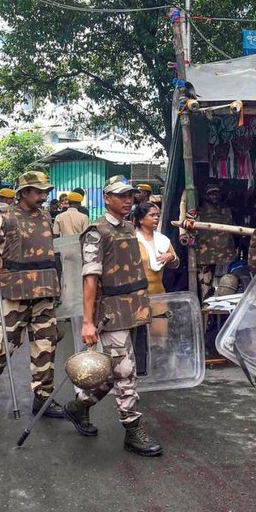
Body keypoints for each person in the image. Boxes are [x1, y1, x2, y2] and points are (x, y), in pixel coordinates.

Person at [62, 175, 163, 456]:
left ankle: (78, 406)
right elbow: (90, 278)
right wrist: (88, 322)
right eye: (121, 195)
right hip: (110, 314)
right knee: (126, 371)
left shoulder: (130, 227)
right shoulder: (97, 232)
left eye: (130, 195)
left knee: (112, 373)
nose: (128, 199)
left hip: (133, 309)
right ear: (107, 198)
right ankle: (132, 429)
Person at [0, 171, 64, 419]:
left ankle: (43, 399)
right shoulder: (4, 217)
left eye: (45, 191)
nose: (43, 196)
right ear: (23, 192)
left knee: (46, 346)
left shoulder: (46, 217)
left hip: (44, 291)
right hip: (15, 292)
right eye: (38, 191)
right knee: (5, 344)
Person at [195, 184, 236, 301]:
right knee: (205, 293)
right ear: (205, 196)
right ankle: (206, 318)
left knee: (223, 292)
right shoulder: (198, 212)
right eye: (211, 193)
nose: (214, 196)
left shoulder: (226, 211)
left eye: (216, 193)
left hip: (225, 256)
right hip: (205, 257)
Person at [134, 202, 178, 295]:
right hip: (137, 295)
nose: (156, 218)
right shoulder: (133, 240)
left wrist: (171, 257)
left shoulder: (162, 240)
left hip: (159, 292)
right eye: (152, 215)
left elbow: (175, 264)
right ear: (141, 219)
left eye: (157, 215)